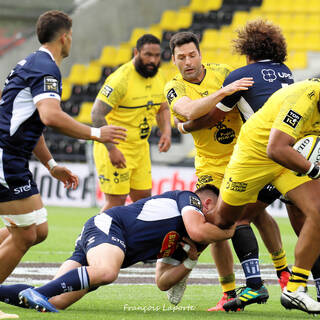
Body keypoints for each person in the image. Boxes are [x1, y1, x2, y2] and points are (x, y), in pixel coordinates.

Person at [164, 28, 290, 312]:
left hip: (244, 158)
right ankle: (228, 291)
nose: (188, 61)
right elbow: (188, 111)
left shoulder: (225, 71)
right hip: (210, 166)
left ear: (200, 53)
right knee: (214, 223)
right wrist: (222, 93)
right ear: (174, 60)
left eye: (192, 54)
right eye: (181, 57)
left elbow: (255, 97)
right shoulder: (174, 87)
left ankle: (282, 274)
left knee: (258, 214)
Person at [0, 9, 126, 292]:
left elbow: (27, 122)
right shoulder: (46, 67)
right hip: (5, 158)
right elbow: (50, 116)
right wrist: (97, 133)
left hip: (12, 158)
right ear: (65, 37)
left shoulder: (29, 63)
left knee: (37, 231)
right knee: (25, 234)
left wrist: (51, 164)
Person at [0, 184, 233, 313]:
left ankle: (31, 292)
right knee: (107, 272)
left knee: (56, 301)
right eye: (221, 215)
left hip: (106, 244)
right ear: (208, 203)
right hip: (109, 227)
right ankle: (40, 293)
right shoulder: (190, 199)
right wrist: (228, 233)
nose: (222, 222)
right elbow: (199, 230)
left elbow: (162, 282)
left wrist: (190, 261)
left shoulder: (188, 241)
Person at [206, 76, 320, 314]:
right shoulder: (304, 97)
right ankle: (182, 252)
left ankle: (294, 289)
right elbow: (275, 148)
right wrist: (314, 169)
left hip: (290, 159)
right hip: (256, 155)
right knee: (223, 221)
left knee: (318, 212)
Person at [91, 34, 172, 212]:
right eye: (148, 55)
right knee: (116, 201)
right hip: (116, 148)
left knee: (144, 201)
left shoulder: (160, 77)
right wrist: (112, 149)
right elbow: (96, 114)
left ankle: (136, 240)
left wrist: (166, 131)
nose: (153, 60)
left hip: (140, 149)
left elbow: (163, 108)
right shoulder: (121, 78)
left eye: (157, 56)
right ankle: (92, 237)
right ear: (136, 52)